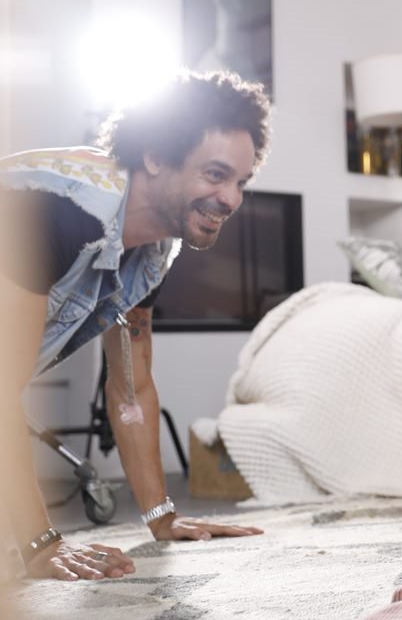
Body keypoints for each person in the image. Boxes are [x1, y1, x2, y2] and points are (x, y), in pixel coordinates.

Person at [0, 71, 270, 581]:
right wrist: (40, 544)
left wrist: (161, 517)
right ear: (155, 156)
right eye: (215, 174)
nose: (232, 199)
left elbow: (131, 385)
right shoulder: (60, 209)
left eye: (241, 182)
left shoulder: (150, 252)